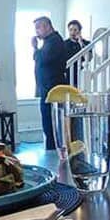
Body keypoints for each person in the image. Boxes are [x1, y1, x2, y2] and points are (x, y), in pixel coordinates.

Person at [32, 16, 67, 150]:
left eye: (38, 28)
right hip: (46, 88)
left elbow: (41, 59)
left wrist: (35, 47)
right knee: (48, 120)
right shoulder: (48, 42)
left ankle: (52, 149)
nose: (36, 32)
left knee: (50, 120)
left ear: (47, 26)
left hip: (52, 88)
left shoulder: (55, 41)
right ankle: (51, 147)